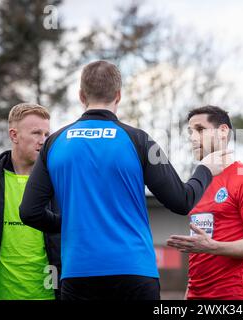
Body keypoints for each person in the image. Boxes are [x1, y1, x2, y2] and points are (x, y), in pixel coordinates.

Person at [19, 60, 231, 300]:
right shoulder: (139, 140)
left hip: (79, 273)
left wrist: (73, 223)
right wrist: (204, 169)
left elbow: (29, 212)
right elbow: (182, 201)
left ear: (81, 96)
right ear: (118, 96)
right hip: (134, 272)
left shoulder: (54, 143)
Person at [166, 105, 243, 300]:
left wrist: (212, 246)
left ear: (223, 132)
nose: (192, 137)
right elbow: (201, 249)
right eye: (190, 132)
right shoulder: (198, 182)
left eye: (200, 130)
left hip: (234, 296)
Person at [0, 103, 61, 300]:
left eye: (46, 134)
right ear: (14, 135)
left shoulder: (59, 183)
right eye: (36, 133)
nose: (43, 141)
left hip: (49, 295)